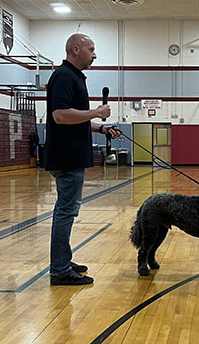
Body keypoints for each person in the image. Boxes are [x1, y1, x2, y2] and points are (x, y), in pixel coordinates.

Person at [45, 33, 120, 286]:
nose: (95, 54)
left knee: (67, 211)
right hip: (67, 157)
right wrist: (96, 112)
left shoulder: (74, 77)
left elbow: (74, 118)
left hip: (71, 156)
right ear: (75, 50)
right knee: (65, 212)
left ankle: (62, 260)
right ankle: (60, 270)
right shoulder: (65, 76)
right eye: (91, 49)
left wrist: (100, 128)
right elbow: (60, 116)